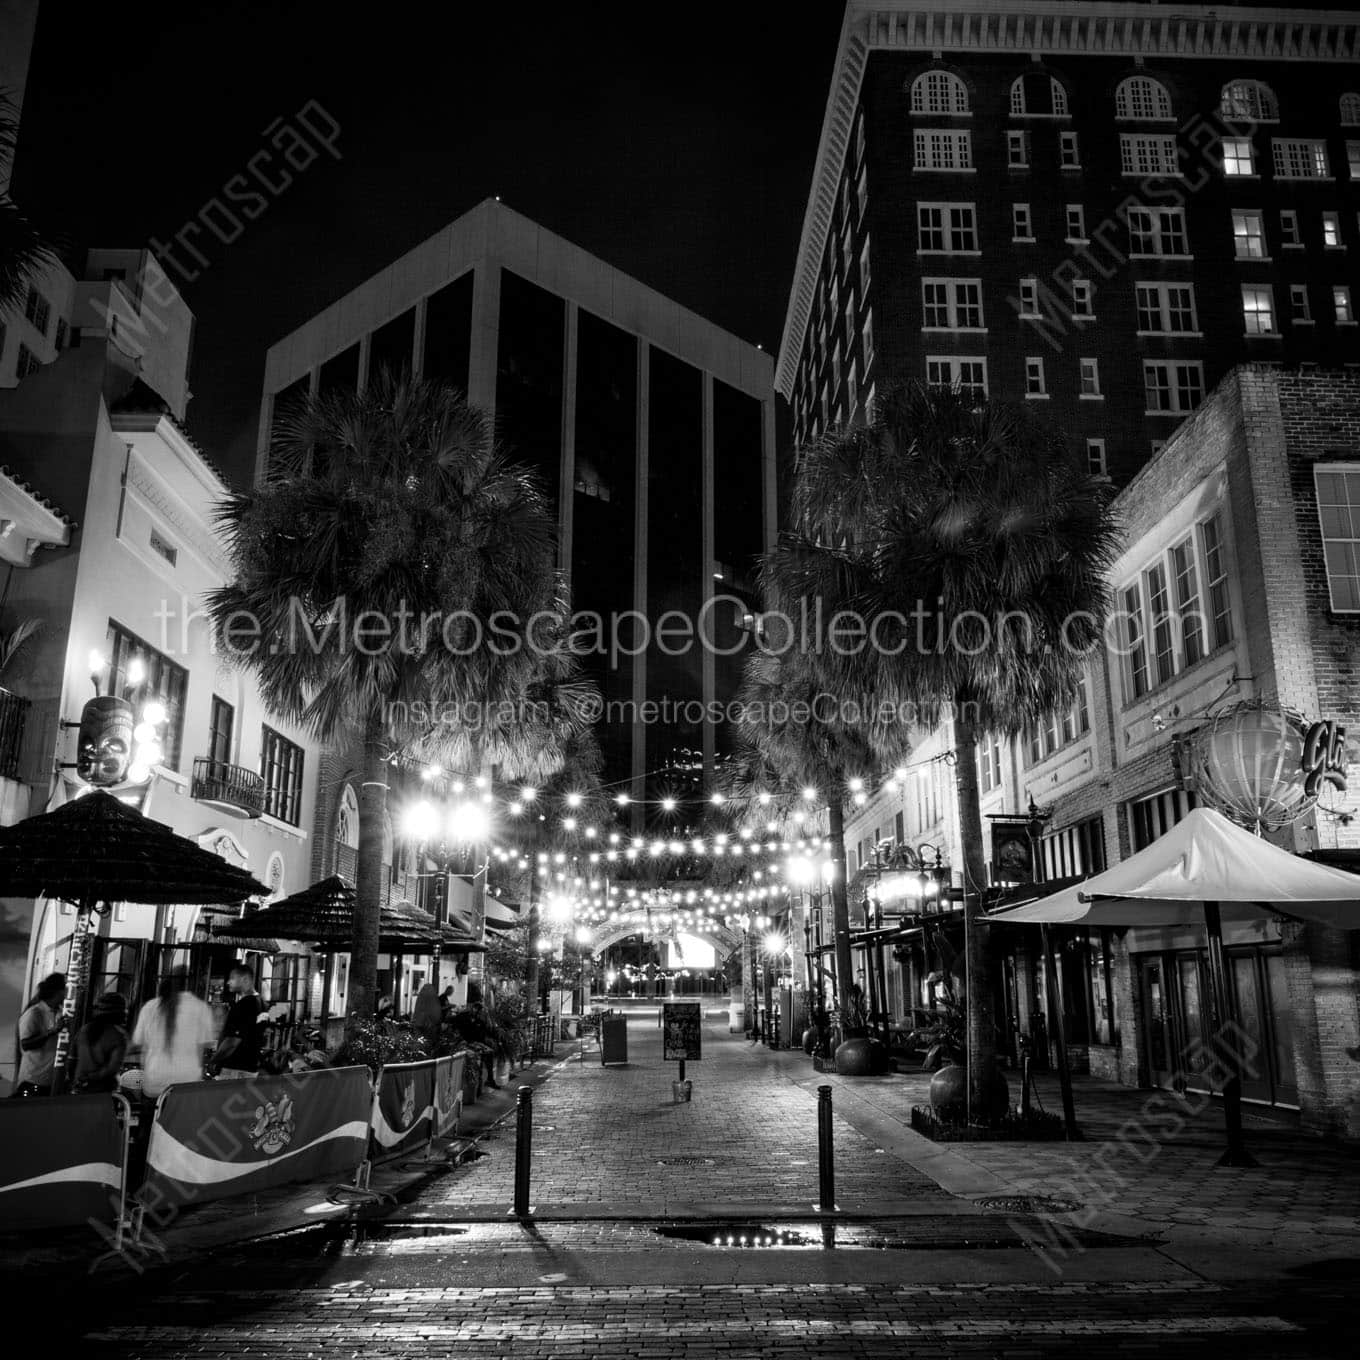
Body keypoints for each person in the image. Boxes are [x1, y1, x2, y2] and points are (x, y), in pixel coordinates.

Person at [128, 971, 217, 1100]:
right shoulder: (201, 1008)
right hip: (187, 1082)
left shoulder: (150, 1007)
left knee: (152, 1119)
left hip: (155, 1079)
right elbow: (201, 1051)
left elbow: (138, 1042)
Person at [13, 973, 66, 1096]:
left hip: (51, 1080)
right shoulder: (34, 1013)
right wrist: (52, 1031)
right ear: (58, 991)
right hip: (33, 1080)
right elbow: (26, 1044)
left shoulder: (59, 1012)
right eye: (66, 989)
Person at [211, 964, 264, 1079]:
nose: (228, 982)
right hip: (251, 1068)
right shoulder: (261, 1002)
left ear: (245, 979)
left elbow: (232, 1041)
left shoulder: (243, 1005)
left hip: (234, 1069)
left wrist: (213, 1061)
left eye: (232, 978)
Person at [74, 992, 130, 1093]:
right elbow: (112, 1069)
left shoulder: (84, 1030)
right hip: (104, 1091)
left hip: (80, 1087)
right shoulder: (118, 1035)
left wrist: (82, 1079)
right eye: (124, 1010)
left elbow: (73, 1058)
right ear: (118, 1012)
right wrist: (92, 1077)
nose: (126, 1013)